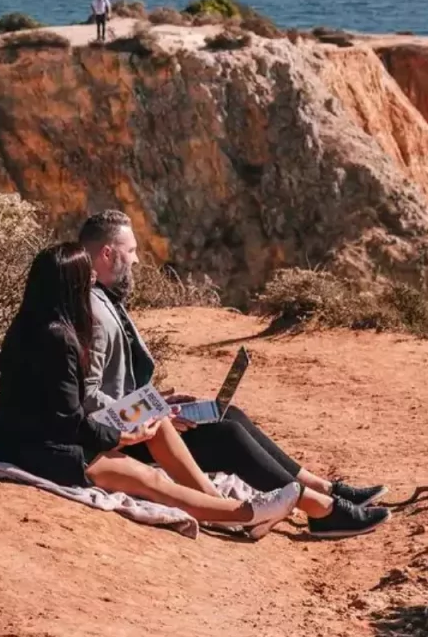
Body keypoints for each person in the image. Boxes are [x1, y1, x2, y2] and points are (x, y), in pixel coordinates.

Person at [78, 211, 392, 540]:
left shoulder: (104, 300)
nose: (137, 260)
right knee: (227, 437)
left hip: (140, 421)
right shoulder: (95, 310)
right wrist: (151, 410)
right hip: (126, 436)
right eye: (131, 251)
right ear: (108, 253)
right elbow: (90, 397)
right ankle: (323, 511)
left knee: (231, 415)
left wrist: (159, 403)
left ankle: (323, 489)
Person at [0, 242, 302, 538]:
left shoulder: (33, 324)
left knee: (158, 421)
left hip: (44, 434)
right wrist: (124, 437)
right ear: (71, 286)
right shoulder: (56, 339)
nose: (94, 280)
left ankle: (216, 504)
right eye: (88, 275)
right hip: (39, 449)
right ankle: (248, 513)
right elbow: (68, 422)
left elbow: (59, 409)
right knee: (149, 479)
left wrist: (139, 412)